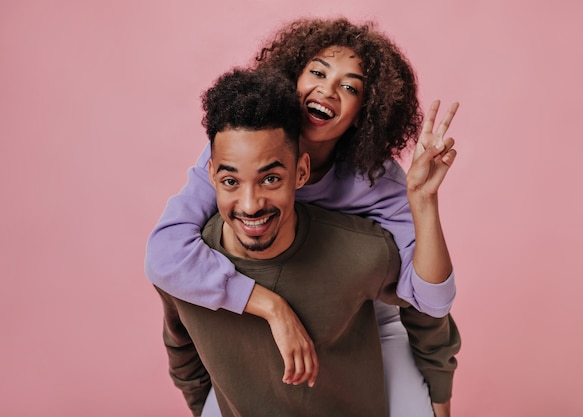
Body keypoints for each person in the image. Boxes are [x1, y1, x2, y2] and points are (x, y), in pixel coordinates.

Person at [146, 17, 461, 416]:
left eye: (350, 86)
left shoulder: (378, 181)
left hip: (365, 304)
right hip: (267, 298)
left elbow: (430, 302)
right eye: (317, 71)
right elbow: (164, 253)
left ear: (365, 111)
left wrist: (423, 200)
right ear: (292, 77)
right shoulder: (243, 154)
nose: (327, 89)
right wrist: (271, 307)